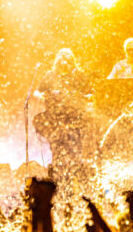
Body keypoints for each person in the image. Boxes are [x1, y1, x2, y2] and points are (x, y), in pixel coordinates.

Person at [32, 48, 95, 193]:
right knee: (57, 148)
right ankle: (59, 179)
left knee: (75, 149)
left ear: (72, 61)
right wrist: (41, 96)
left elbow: (91, 93)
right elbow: (37, 91)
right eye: (61, 61)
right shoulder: (51, 75)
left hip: (75, 119)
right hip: (55, 120)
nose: (64, 64)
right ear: (57, 62)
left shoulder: (79, 75)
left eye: (67, 60)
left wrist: (83, 98)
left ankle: (75, 180)